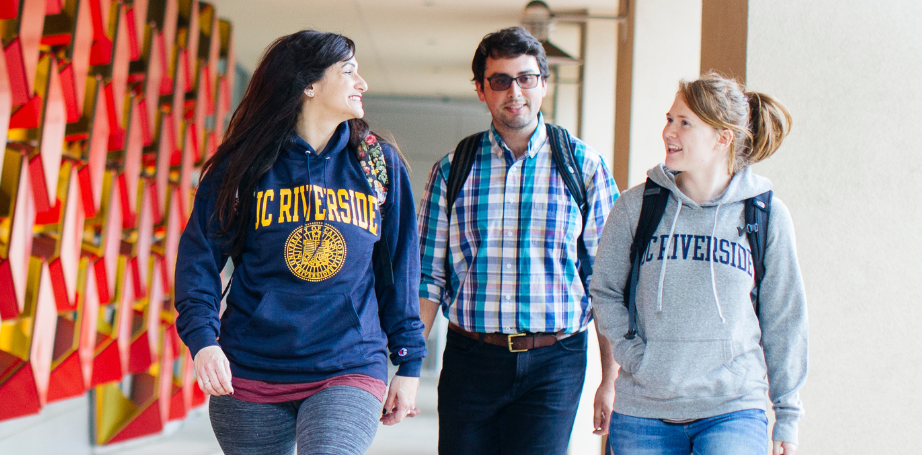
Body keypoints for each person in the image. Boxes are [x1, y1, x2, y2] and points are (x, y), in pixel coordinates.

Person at [173, 29, 427, 455]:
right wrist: (204, 342)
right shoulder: (242, 167)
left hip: (347, 364)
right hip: (250, 368)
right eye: (348, 72)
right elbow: (197, 261)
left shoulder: (376, 163)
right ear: (308, 84)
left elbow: (400, 269)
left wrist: (409, 362)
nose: (362, 83)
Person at [416, 26, 620, 455]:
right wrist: (407, 369)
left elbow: (606, 283)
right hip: (471, 359)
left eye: (526, 78)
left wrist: (610, 379)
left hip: (556, 361)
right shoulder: (452, 170)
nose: (515, 91)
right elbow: (427, 278)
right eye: (500, 80)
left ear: (544, 84)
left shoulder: (585, 167)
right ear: (481, 89)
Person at [588, 73, 807, 455]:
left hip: (733, 408)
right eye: (669, 119)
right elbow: (604, 290)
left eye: (685, 123)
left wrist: (787, 414)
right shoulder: (635, 207)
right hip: (644, 410)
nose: (668, 131)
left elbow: (784, 317)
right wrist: (634, 356)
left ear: (722, 139)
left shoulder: (765, 214)